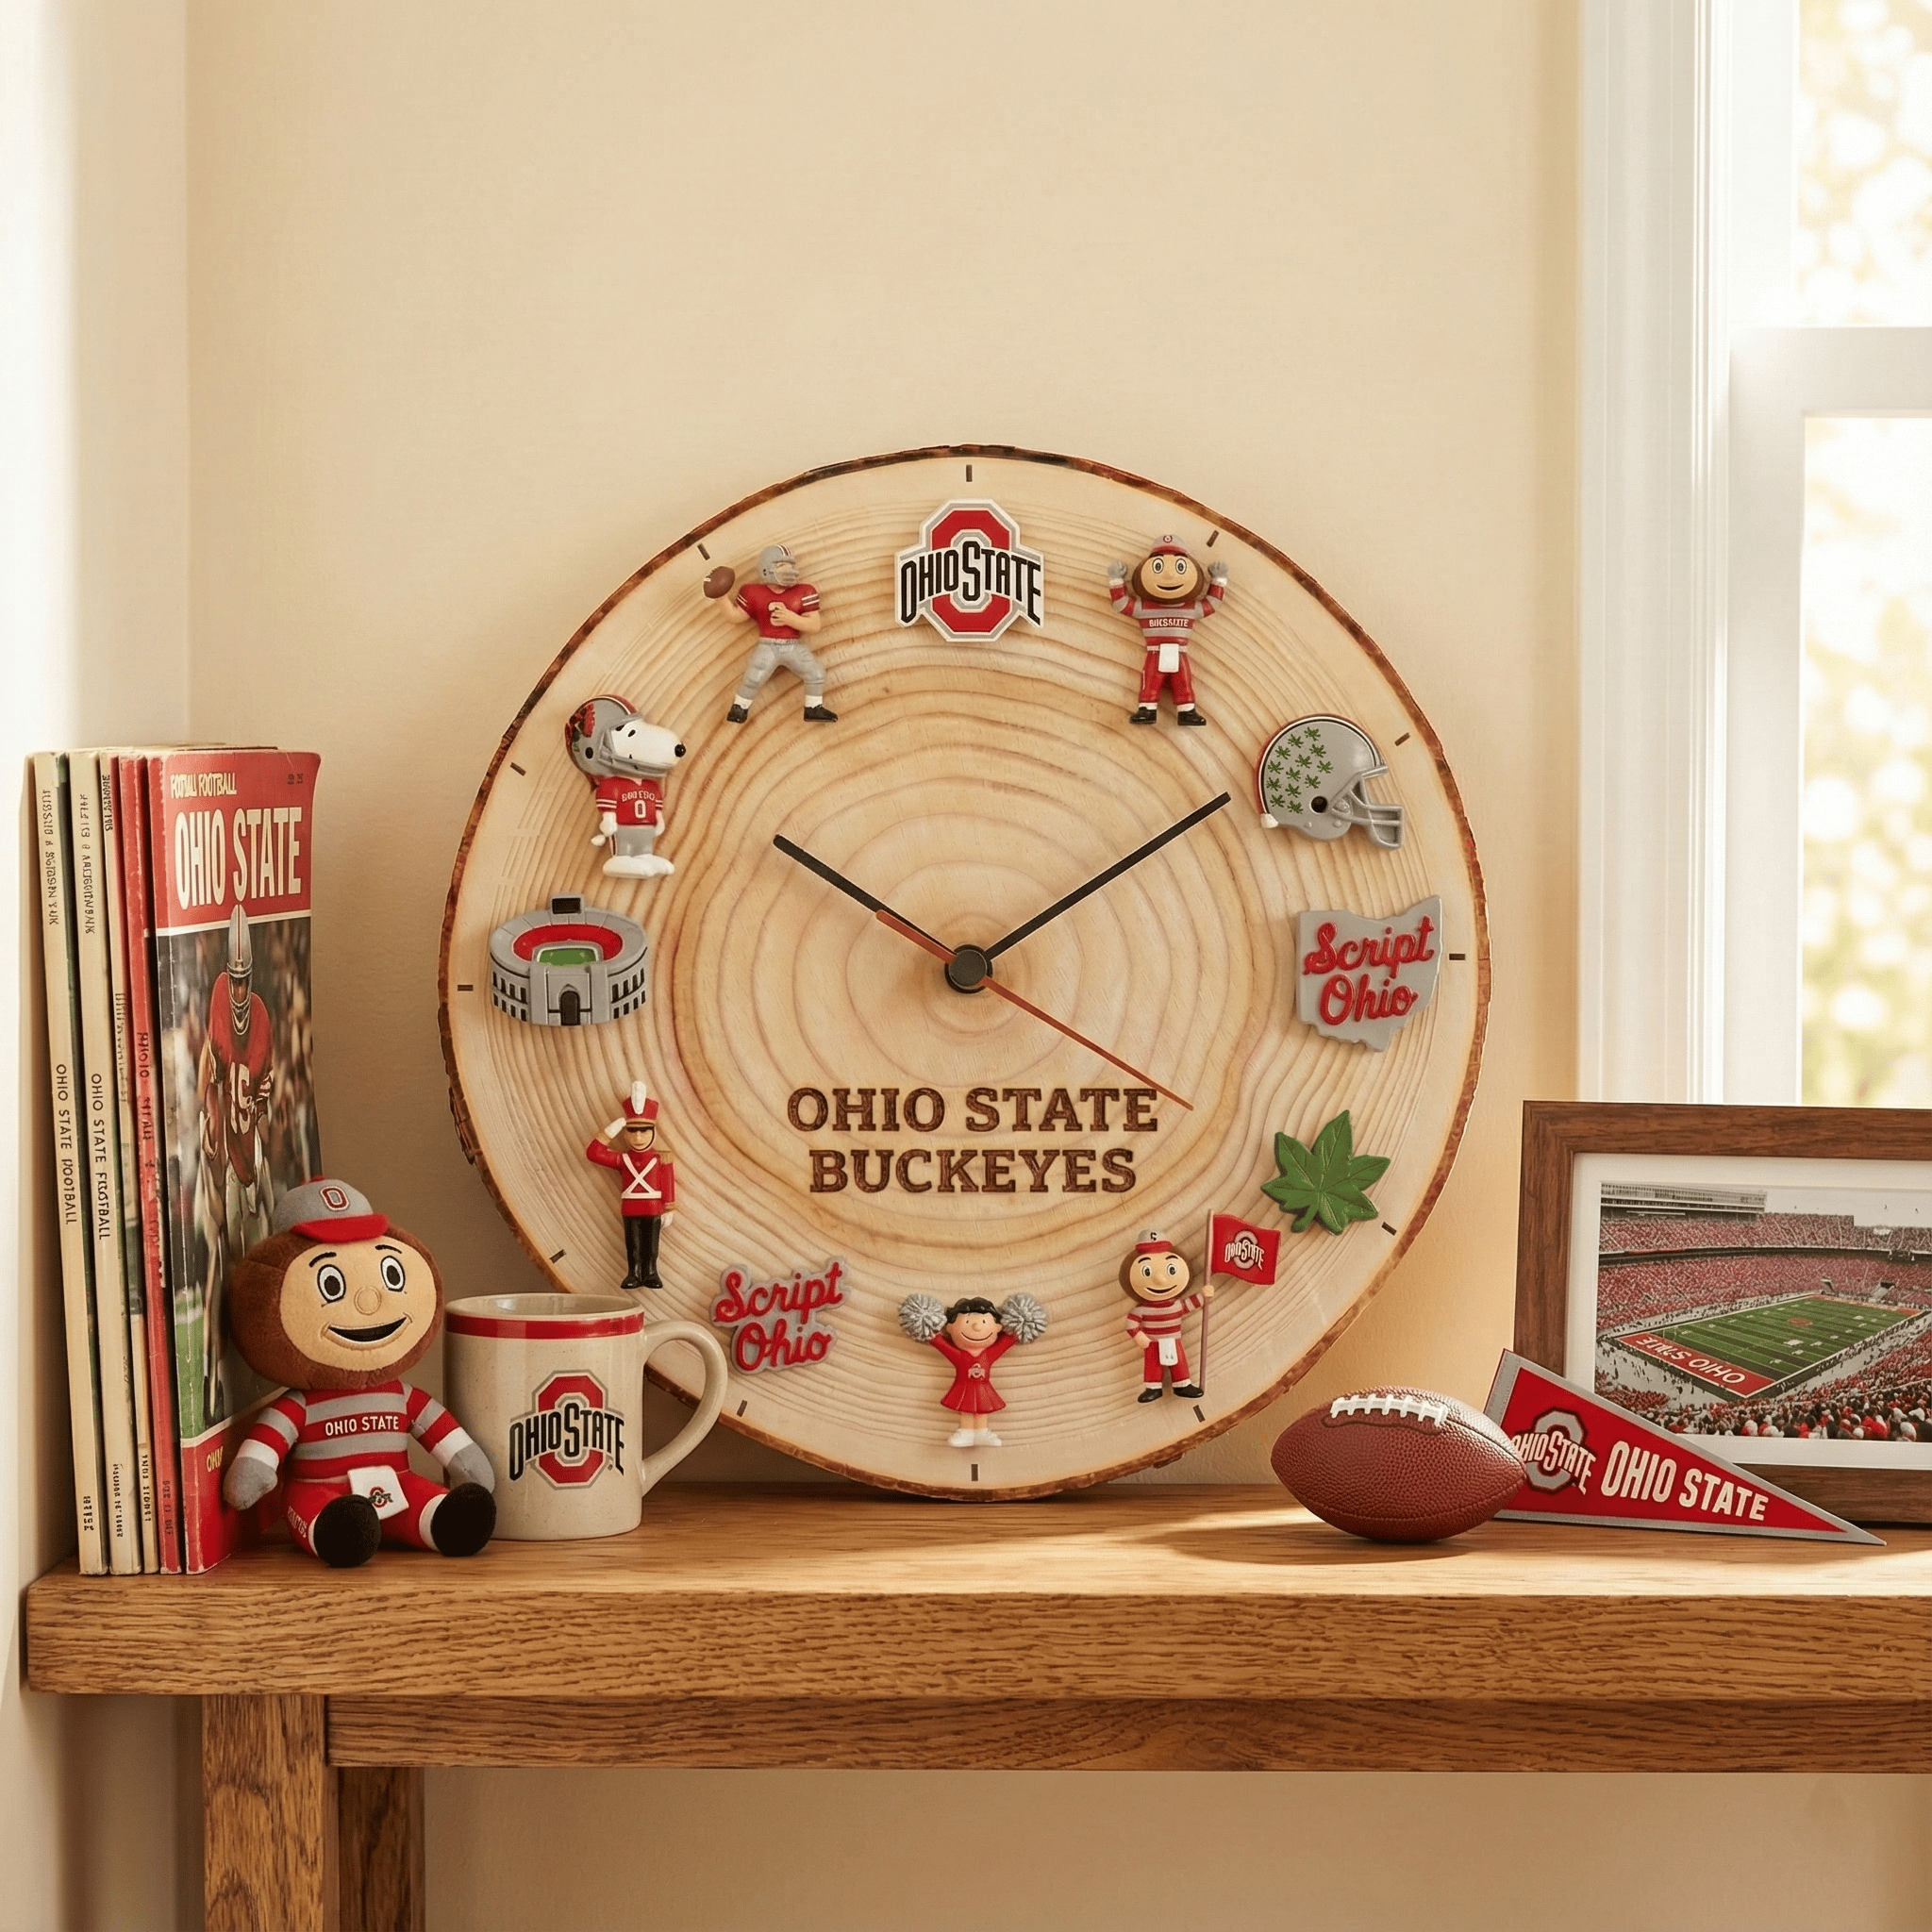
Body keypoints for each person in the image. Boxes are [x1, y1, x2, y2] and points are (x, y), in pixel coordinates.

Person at [195, 905, 275, 1418]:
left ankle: (262, 1372)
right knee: (215, 1264)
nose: (241, 991)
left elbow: (263, 1090)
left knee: (264, 1247)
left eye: (247, 981)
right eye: (236, 981)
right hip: (221, 1153)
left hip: (250, 1150)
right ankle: (207, 1377)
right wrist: (208, 1118)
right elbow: (210, 1062)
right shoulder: (218, 1002)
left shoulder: (262, 1016)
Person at [1106, 536, 1226, 725]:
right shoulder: (1145, 608)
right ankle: (1147, 709)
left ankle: (1187, 711)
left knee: (1184, 681)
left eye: (1179, 567)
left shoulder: (1190, 608)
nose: (1169, 577)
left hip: (1180, 653)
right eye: (1159, 567)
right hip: (1154, 652)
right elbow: (1122, 605)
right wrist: (1116, 580)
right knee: (1150, 680)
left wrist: (1218, 579)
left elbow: (1211, 604)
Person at [725, 544, 836, 724]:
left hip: (792, 645)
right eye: (781, 565)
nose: (789, 570)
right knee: (753, 678)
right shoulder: (752, 592)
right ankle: (739, 708)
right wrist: (720, 597)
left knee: (816, 674)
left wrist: (790, 618)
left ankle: (813, 708)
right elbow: (735, 616)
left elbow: (815, 625)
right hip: (767, 644)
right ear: (765, 567)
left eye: (790, 565)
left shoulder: (804, 591)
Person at [585, 1080, 676, 1291]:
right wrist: (612, 1128)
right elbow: (593, 1153)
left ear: (653, 1131)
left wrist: (670, 1207)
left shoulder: (662, 1159)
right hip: (630, 1208)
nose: (638, 1137)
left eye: (644, 1131)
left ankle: (651, 1272)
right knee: (633, 1246)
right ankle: (634, 1272)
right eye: (632, 1131)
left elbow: (668, 1183)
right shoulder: (622, 1160)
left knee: (651, 1247)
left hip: (653, 1208)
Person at [1120, 1230, 1213, 1402]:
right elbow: (1131, 1324)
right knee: (1153, 1365)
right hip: (1152, 1342)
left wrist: (1203, 1295)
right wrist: (1139, 1337)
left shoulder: (1176, 1305)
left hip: (1174, 1339)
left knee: (1179, 1363)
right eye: (1147, 1271)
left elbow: (1189, 1305)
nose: (1160, 1280)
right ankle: (1153, 1387)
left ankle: (1182, 1384)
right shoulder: (1141, 1310)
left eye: (1171, 1269)